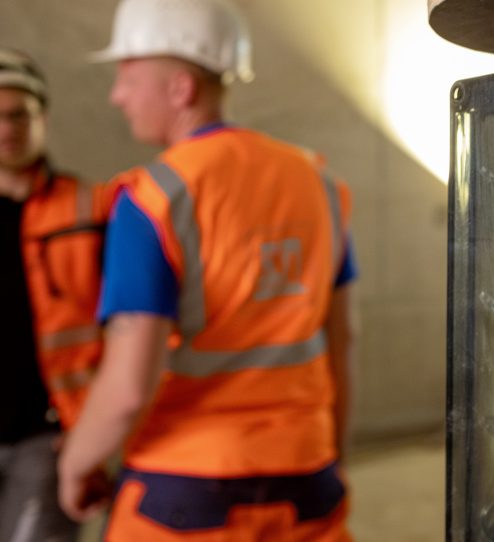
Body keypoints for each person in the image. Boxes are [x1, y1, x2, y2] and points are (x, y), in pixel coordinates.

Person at [56, 0, 358, 540]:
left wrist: (76, 463)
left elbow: (128, 387)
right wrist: (328, 455)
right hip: (307, 480)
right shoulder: (320, 185)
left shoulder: (154, 198)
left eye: (127, 76)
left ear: (180, 88)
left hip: (185, 490)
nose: (116, 95)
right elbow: (342, 340)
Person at [0, 48, 112, 541]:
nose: (6, 129)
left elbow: (125, 333)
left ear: (42, 117)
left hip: (50, 435)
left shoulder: (91, 209)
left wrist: (92, 433)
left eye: (17, 114)